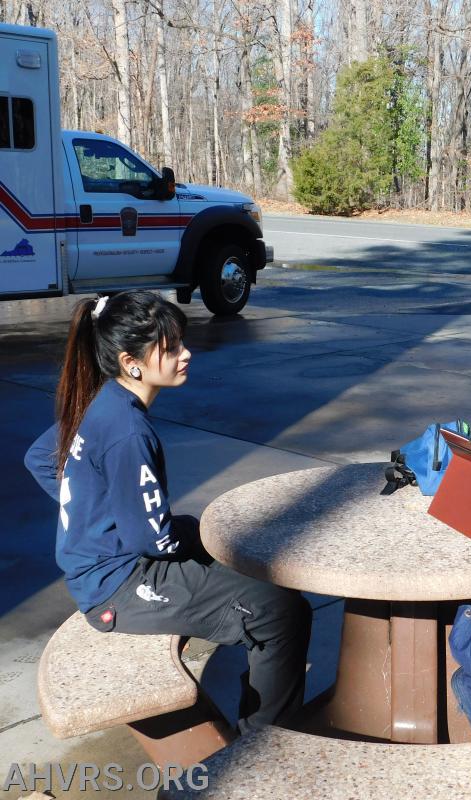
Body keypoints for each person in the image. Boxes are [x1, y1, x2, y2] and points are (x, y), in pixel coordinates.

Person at [25, 290, 311, 733]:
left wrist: (92, 512)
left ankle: (266, 705)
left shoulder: (102, 401)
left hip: (115, 562)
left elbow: (42, 457)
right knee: (278, 611)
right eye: (172, 347)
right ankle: (266, 745)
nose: (186, 354)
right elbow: (152, 541)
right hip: (116, 589)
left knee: (220, 541)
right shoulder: (127, 432)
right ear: (130, 362)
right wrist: (106, 521)